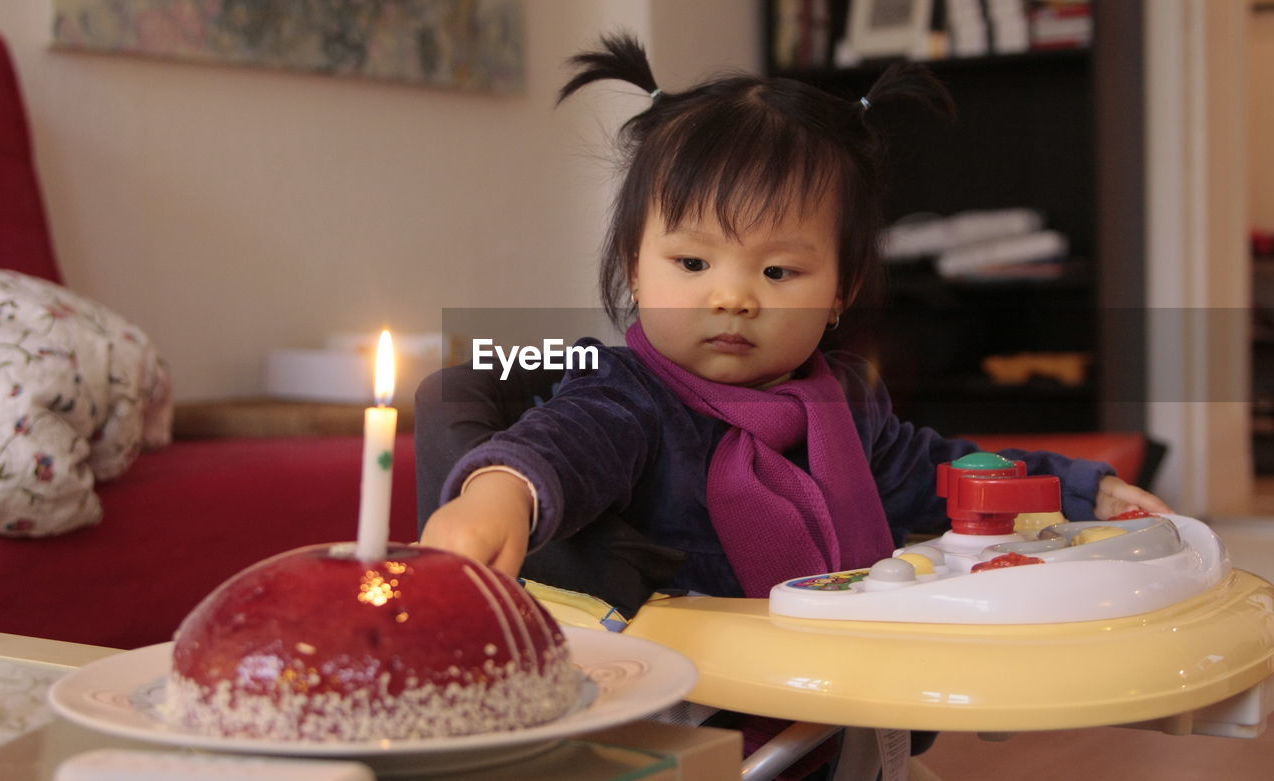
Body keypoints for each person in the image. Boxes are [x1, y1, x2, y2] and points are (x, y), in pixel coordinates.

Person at [418, 31, 1169, 612]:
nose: (734, 297)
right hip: (700, 712)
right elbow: (564, 446)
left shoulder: (848, 402)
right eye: (692, 264)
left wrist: (1077, 492)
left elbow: (948, 475)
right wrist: (499, 494)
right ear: (632, 265)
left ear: (840, 291)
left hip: (841, 703)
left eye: (778, 272)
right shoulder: (625, 393)